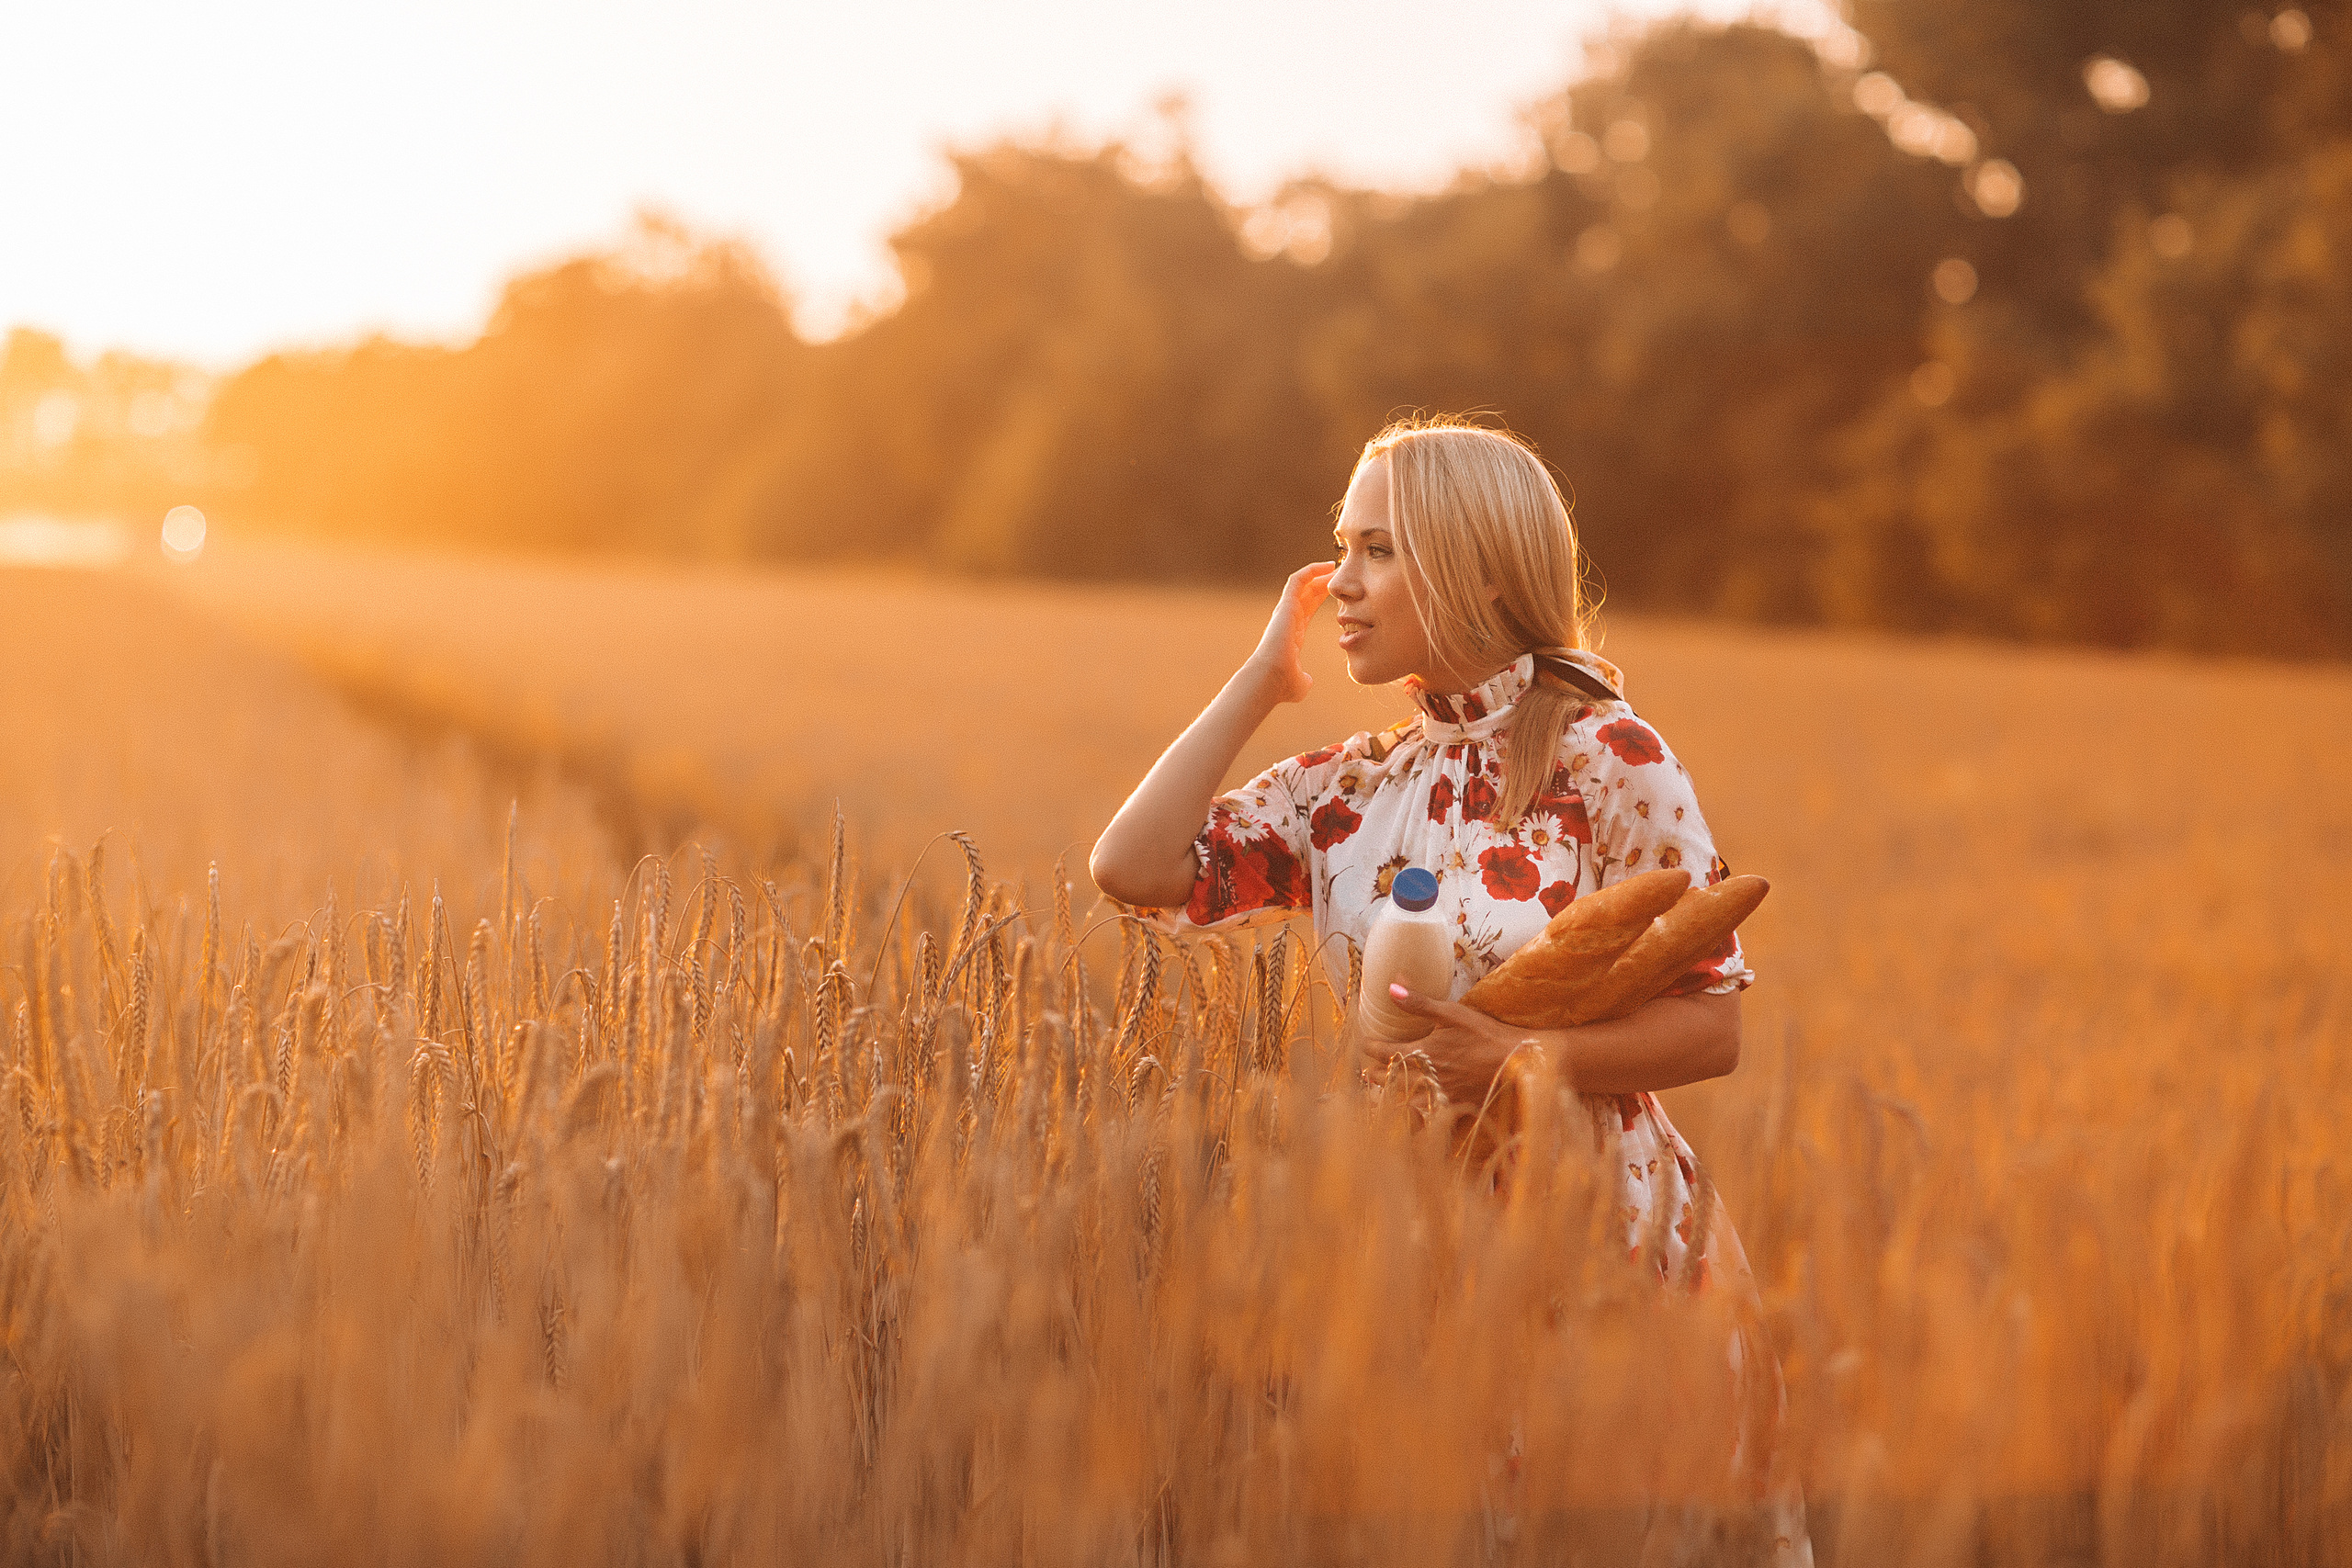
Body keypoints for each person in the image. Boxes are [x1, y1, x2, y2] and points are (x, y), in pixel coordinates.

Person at [1089, 416, 1813, 1566]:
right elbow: (1131, 869)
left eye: (1380, 550)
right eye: (1343, 546)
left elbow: (1713, 1026)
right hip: (1405, 1245)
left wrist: (1526, 1062)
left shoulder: (1608, 758)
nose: (1345, 586)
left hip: (1599, 1244)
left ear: (1476, 569)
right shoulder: (1348, 785)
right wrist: (1260, 683)